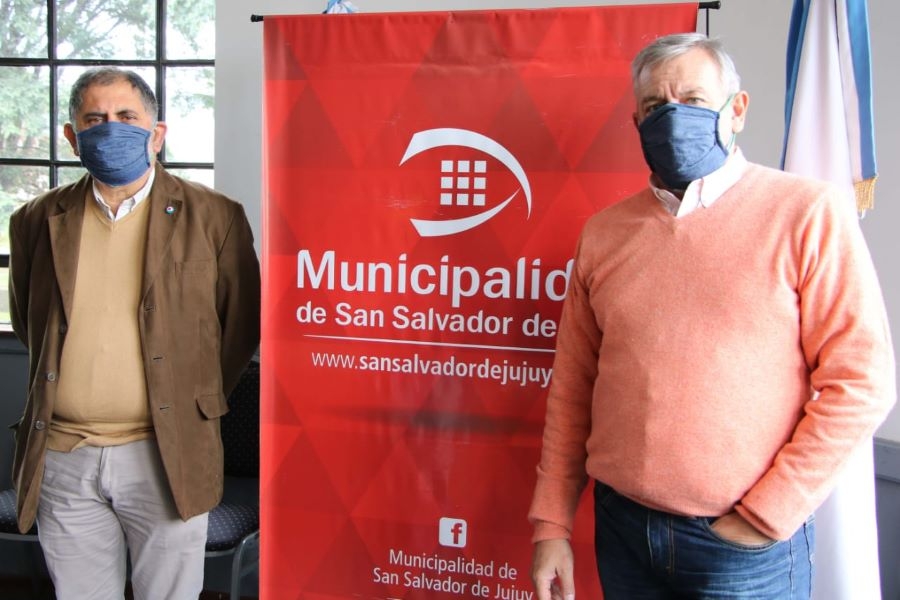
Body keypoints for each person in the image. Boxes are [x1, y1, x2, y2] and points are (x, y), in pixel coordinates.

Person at [528, 32, 896, 600]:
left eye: (694, 100)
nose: (673, 117)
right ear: (637, 122)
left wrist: (765, 516)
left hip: (743, 548)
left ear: (737, 110)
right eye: (655, 105)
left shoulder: (806, 213)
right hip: (623, 532)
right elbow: (573, 388)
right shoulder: (603, 235)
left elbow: (862, 382)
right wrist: (552, 524)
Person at [7, 67, 261, 599]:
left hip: (168, 452)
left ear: (156, 132)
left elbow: (238, 331)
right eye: (94, 119)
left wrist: (189, 398)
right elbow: (33, 324)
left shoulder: (215, 216)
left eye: (126, 116)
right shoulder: (35, 219)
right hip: (64, 454)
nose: (111, 128)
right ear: (72, 136)